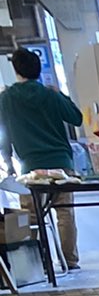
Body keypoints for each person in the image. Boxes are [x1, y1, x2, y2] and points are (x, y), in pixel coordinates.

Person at [0, 51, 83, 270]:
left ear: (16, 70)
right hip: (61, 162)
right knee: (64, 213)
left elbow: (4, 133)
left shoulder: (6, 98)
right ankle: (70, 262)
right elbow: (77, 118)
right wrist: (61, 94)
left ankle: (40, 265)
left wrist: (8, 163)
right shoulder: (50, 95)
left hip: (30, 167)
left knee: (32, 216)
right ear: (38, 70)